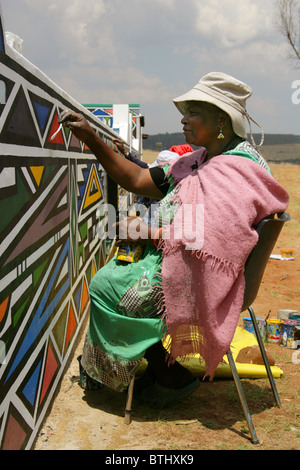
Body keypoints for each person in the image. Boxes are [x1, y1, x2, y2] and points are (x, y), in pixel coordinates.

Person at [59, 72, 289, 408]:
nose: (183, 119)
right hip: (179, 264)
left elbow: (212, 239)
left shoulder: (235, 171)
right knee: (112, 278)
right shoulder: (199, 162)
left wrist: (146, 233)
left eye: (193, 111)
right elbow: (138, 177)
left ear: (222, 120)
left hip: (203, 279)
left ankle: (163, 373)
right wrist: (92, 138)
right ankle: (165, 371)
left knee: (106, 285)